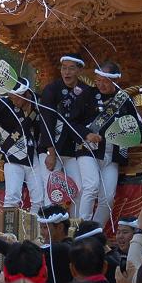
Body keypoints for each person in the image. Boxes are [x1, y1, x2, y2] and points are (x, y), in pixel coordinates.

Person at [70, 61, 142, 226]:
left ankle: (95, 229)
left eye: (105, 81)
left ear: (115, 81)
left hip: (113, 154)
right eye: (98, 80)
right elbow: (71, 122)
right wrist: (87, 134)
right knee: (91, 187)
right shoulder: (87, 95)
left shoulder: (123, 99)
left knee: (108, 196)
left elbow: (136, 123)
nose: (100, 84)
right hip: (89, 151)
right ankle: (82, 226)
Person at [0, 77, 44, 213]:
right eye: (11, 97)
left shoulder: (38, 103)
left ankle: (36, 228)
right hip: (11, 156)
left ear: (26, 95)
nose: (13, 101)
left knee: (39, 198)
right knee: (12, 196)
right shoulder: (5, 104)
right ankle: (10, 231)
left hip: (33, 155)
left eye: (16, 98)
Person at [37, 54, 88, 214]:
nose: (67, 72)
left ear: (79, 71)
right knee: (52, 191)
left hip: (72, 151)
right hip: (50, 148)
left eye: (71, 68)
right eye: (64, 68)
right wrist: (50, 153)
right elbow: (46, 121)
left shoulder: (85, 91)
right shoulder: (51, 90)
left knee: (78, 189)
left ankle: (73, 227)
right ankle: (47, 231)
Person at [36, 205, 72, 283]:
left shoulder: (60, 249)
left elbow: (24, 253)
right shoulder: (69, 245)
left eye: (45, 228)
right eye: (40, 228)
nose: (41, 232)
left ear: (60, 227)